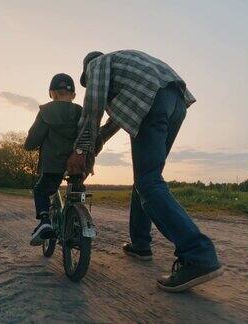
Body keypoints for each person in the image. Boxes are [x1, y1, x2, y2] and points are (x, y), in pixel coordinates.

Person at [67, 50, 223, 292]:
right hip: (175, 101)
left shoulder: (97, 64)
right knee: (146, 179)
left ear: (87, 72)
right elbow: (113, 123)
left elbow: (92, 108)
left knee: (149, 183)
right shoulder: (127, 72)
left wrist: (80, 149)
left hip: (154, 100)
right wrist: (95, 145)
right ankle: (140, 244)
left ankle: (198, 255)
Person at [24, 73, 82, 246]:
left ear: (52, 93)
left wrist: (29, 145)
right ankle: (77, 229)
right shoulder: (81, 111)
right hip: (78, 165)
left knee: (41, 190)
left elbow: (34, 139)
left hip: (53, 166)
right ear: (73, 95)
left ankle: (45, 222)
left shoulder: (46, 111)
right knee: (77, 194)